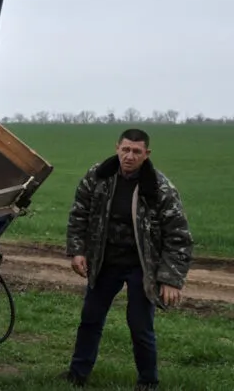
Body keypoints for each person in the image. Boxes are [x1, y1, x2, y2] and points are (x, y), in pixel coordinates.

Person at [61, 128, 193, 390]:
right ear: (117, 148)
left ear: (147, 154)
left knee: (140, 325)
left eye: (136, 151)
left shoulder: (160, 188)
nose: (129, 156)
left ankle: (148, 381)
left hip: (142, 267)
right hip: (105, 261)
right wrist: (77, 251)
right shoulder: (98, 177)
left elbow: (178, 236)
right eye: (125, 149)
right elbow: (79, 214)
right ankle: (77, 375)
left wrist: (171, 279)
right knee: (90, 319)